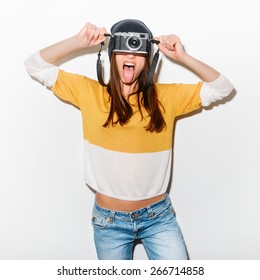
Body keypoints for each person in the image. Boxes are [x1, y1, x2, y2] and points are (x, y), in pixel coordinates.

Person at [24, 19, 234, 260]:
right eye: (122, 48)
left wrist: (183, 57)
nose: (130, 55)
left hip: (158, 217)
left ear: (149, 60)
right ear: (111, 56)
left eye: (138, 49)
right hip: (108, 221)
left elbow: (222, 88)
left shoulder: (167, 98)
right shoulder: (89, 93)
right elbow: (34, 66)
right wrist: (78, 42)